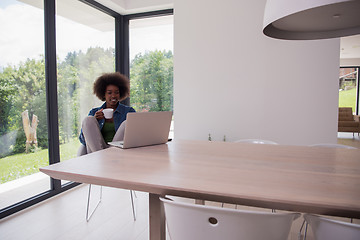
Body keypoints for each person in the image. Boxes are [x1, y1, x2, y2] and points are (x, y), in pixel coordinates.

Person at [78, 72, 135, 156]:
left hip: (117, 151)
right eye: (109, 93)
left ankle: (104, 158)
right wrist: (95, 120)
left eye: (116, 92)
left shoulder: (128, 111)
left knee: (127, 122)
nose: (113, 96)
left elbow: (135, 137)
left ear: (120, 93)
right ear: (103, 94)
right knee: (88, 119)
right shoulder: (94, 112)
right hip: (96, 150)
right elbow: (83, 140)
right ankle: (102, 157)